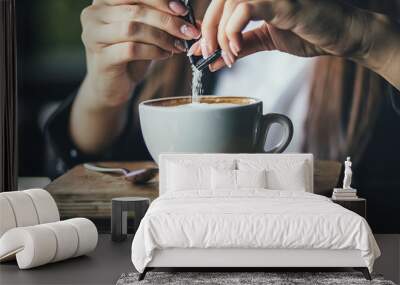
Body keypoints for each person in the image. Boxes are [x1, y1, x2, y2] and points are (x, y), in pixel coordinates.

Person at [45, 0, 400, 232]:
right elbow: (88, 176)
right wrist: (103, 94)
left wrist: (372, 43)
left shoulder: (371, 28)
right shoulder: (175, 32)